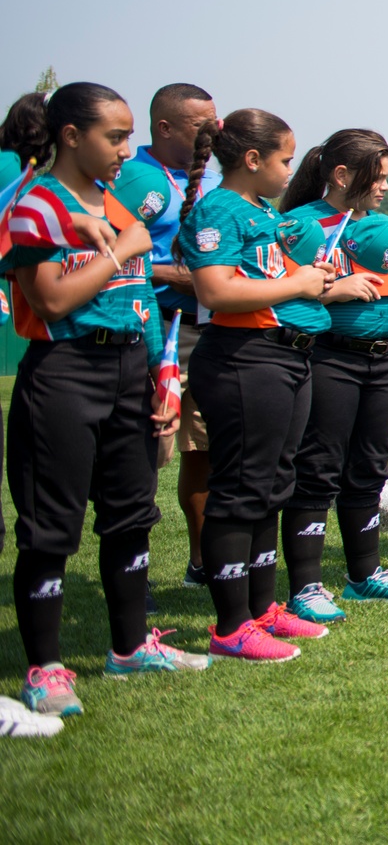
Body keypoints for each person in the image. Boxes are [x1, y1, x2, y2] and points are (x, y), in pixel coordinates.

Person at [3, 85, 207, 719]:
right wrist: (121, 247)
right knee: (50, 527)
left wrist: (158, 375)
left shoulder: (114, 202)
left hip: (127, 371)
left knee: (130, 513)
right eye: (113, 137)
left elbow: (138, 295)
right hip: (65, 370)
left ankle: (129, 647)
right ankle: (44, 669)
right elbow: (52, 300)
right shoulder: (35, 204)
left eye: (126, 136)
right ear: (70, 136)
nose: (125, 149)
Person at [180, 108, 336, 662]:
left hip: (282, 357)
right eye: (285, 159)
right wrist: (297, 281)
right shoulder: (219, 208)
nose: (290, 169)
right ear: (252, 159)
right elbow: (217, 291)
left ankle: (262, 608)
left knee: (272, 486)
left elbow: (275, 279)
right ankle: (229, 625)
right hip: (243, 359)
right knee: (241, 488)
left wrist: (314, 281)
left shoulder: (261, 210)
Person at [274, 130, 388, 618]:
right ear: (342, 175)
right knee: (317, 471)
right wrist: (332, 292)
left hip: (382, 364)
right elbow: (268, 292)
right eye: (376, 176)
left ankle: (365, 575)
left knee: (369, 469)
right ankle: (306, 587)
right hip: (328, 359)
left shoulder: (387, 228)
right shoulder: (299, 225)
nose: (384, 185)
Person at [107, 83, 217, 589]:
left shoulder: (212, 178)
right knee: (151, 451)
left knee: (204, 451)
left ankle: (202, 562)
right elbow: (110, 257)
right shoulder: (133, 177)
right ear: (166, 127)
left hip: (207, 329)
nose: (212, 133)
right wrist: (180, 276)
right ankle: (135, 572)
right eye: (201, 125)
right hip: (155, 330)